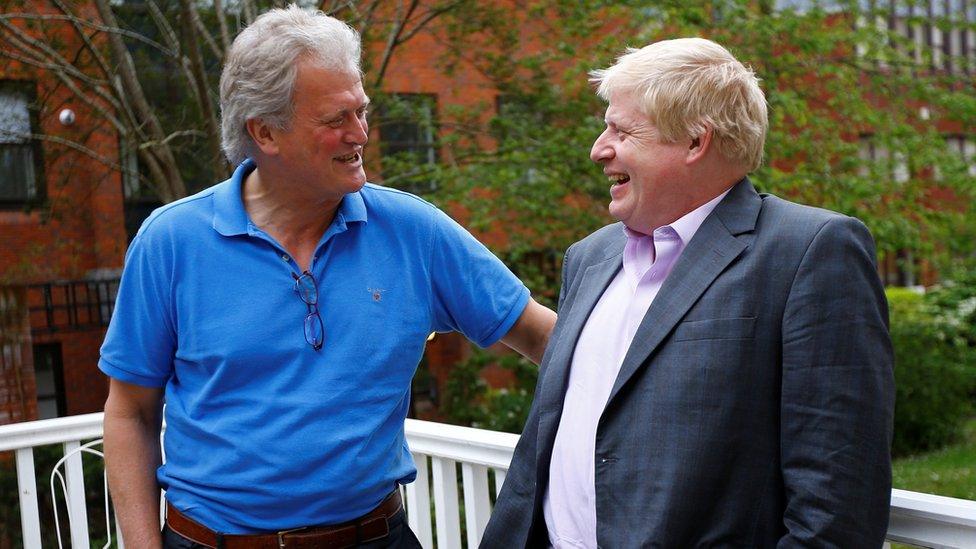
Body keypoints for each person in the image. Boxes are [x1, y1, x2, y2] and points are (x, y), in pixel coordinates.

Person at [99, 6, 556, 548]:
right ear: (265, 132)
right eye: (336, 119)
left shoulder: (413, 231)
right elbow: (130, 411)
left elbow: (545, 336)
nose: (359, 134)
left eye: (362, 112)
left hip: (375, 537)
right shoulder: (171, 242)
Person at [482, 38, 894, 548]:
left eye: (621, 130)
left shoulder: (810, 251)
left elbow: (838, 500)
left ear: (696, 142)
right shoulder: (587, 258)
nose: (598, 148)